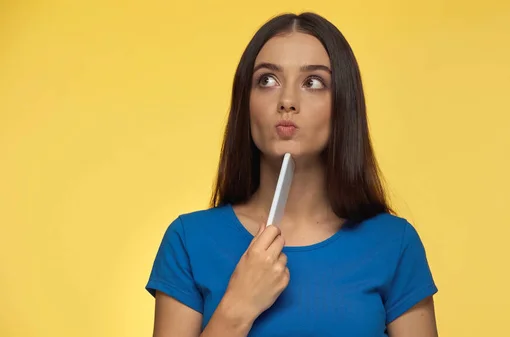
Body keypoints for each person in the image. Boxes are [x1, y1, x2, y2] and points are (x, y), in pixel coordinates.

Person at [145, 12, 438, 337]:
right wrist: (235, 310)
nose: (287, 101)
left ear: (343, 105)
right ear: (246, 102)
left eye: (313, 82)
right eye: (267, 80)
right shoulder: (188, 241)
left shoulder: (394, 245)